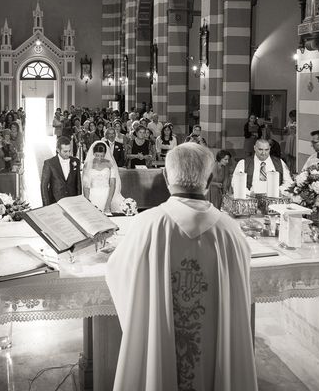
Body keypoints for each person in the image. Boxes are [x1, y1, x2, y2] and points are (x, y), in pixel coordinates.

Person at [106, 143, 257, 391]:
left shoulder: (147, 224)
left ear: (165, 177)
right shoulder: (230, 231)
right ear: (210, 179)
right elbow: (239, 289)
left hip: (161, 349)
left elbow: (116, 273)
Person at [82, 141, 125, 213]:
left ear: (105, 154)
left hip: (107, 195)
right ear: (93, 153)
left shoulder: (109, 164)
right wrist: (87, 201)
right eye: (97, 155)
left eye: (102, 156)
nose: (99, 158)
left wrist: (108, 204)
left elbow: (112, 184)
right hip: (92, 195)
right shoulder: (87, 165)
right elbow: (86, 185)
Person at [40, 136, 82, 205]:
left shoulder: (75, 161)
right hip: (55, 202)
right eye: (65, 151)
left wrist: (78, 202)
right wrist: (46, 205)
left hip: (72, 201)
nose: (68, 154)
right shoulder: (49, 163)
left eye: (69, 151)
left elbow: (78, 184)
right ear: (58, 150)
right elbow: (44, 186)